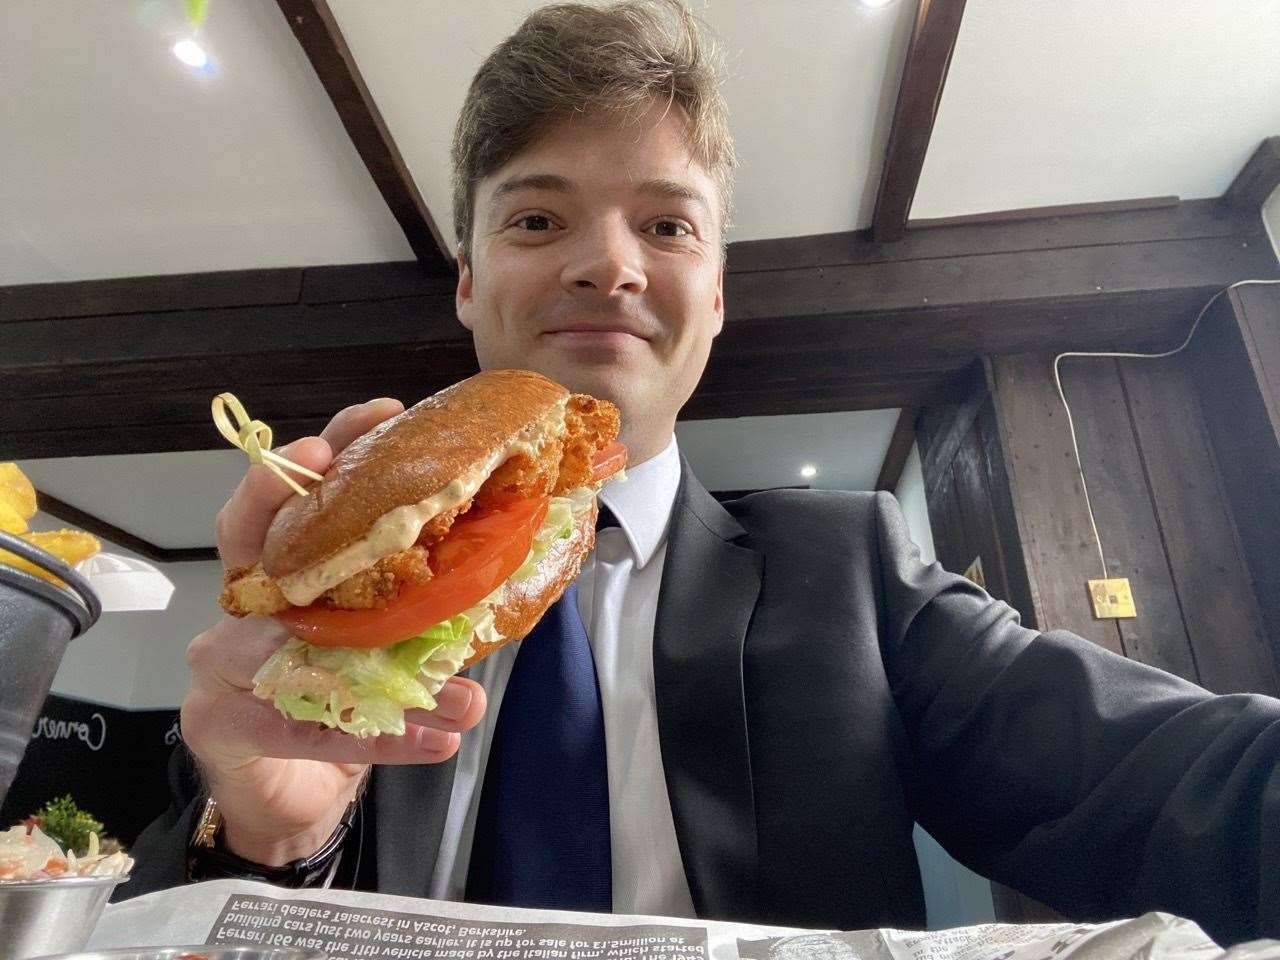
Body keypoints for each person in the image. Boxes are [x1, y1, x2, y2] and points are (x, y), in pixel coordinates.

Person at [127, 0, 1280, 945]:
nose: (604, 265)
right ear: (470, 284)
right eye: (536, 220)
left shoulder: (851, 570)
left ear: (715, 298)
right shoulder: (337, 616)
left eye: (667, 226)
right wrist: (275, 838)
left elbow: (1176, 783)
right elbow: (155, 914)